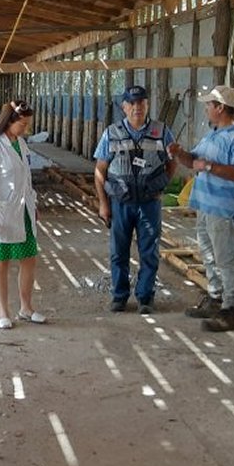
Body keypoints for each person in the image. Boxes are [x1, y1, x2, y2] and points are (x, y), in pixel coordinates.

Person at [168, 85, 234, 331]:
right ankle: (215, 298)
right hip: (206, 206)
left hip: (224, 208)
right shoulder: (214, 134)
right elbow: (194, 160)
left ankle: (232, 309)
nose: (205, 108)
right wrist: (178, 154)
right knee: (209, 255)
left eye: (209, 104)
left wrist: (208, 167)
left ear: (220, 108)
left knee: (226, 258)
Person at [93, 85, 177, 313]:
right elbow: (100, 170)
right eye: (132, 103)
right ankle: (119, 296)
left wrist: (161, 185)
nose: (137, 108)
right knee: (118, 251)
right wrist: (103, 203)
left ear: (147, 105)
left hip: (149, 202)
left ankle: (145, 297)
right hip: (121, 202)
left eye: (141, 103)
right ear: (124, 107)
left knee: (149, 251)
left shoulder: (162, 131)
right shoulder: (112, 133)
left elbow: (172, 162)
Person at [0, 100, 46, 330]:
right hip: (1, 214)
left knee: (28, 260)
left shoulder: (21, 145)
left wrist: (33, 204)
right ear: (9, 122)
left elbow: (26, 180)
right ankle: (3, 312)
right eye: (22, 124)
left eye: (27, 124)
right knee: (1, 263)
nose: (25, 128)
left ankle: (26, 307)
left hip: (22, 211)